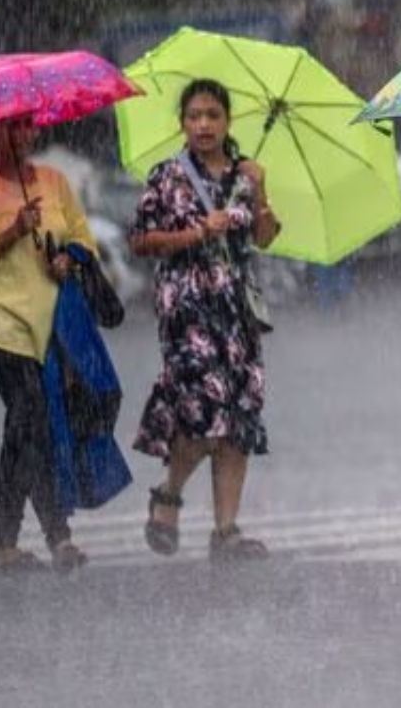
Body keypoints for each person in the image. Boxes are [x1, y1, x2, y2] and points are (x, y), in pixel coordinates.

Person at [129, 78, 280, 563]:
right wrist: (196, 232)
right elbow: (142, 240)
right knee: (202, 411)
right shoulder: (167, 175)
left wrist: (260, 189)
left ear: (228, 121)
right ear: (182, 123)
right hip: (186, 308)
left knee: (238, 418)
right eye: (194, 116)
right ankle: (169, 494)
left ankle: (226, 530)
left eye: (213, 115)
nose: (204, 124)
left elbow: (265, 236)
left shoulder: (244, 173)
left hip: (236, 310)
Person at [0, 113, 95, 574]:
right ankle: (40, 537)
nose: (21, 134)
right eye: (9, 126)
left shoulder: (54, 182)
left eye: (26, 124)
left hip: (48, 325)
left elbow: (83, 240)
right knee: (30, 413)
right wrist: (11, 232)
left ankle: (19, 541)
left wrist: (67, 260)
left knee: (33, 428)